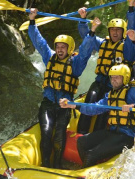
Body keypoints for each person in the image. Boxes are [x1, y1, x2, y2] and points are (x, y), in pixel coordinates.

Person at [28, 8, 94, 168]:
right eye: (58, 46)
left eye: (63, 47)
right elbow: (39, 42)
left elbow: (85, 52)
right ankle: (45, 164)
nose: (59, 49)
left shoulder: (76, 64)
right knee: (46, 133)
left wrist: (90, 30)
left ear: (70, 49)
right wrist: (32, 21)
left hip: (64, 106)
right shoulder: (49, 57)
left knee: (58, 136)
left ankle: (56, 164)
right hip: (48, 104)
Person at [59, 64, 135, 168]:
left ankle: (89, 170)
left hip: (129, 135)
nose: (113, 80)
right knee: (81, 142)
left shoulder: (134, 91)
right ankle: (93, 169)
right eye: (112, 77)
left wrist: (134, 106)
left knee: (91, 154)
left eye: (117, 77)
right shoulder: (111, 95)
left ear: (125, 78)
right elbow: (95, 108)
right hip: (113, 132)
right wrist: (73, 105)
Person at [76, 9, 135, 134]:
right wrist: (83, 20)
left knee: (104, 110)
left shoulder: (127, 47)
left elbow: (133, 29)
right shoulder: (103, 43)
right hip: (100, 80)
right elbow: (87, 37)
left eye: (118, 30)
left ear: (123, 32)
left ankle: (96, 135)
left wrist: (132, 10)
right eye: (112, 30)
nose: (115, 33)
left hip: (115, 85)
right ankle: (80, 132)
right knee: (90, 98)